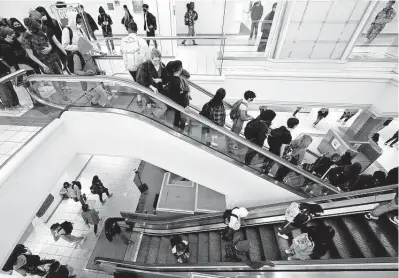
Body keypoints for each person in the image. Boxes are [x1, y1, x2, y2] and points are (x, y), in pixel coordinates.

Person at [73, 37, 113, 107]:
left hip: (95, 77)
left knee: (98, 94)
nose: (88, 51)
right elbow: (77, 71)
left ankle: (94, 104)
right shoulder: (77, 56)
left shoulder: (87, 52)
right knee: (104, 93)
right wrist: (86, 73)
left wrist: (99, 71)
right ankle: (108, 108)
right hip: (90, 79)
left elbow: (92, 64)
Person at [136, 48, 168, 118]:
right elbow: (142, 80)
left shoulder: (162, 65)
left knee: (163, 104)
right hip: (150, 91)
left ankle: (151, 114)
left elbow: (166, 78)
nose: (157, 63)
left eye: (159, 60)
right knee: (164, 107)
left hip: (159, 90)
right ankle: (153, 118)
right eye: (155, 61)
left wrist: (160, 80)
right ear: (151, 59)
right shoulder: (145, 66)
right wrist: (152, 87)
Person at [168, 60, 190, 130]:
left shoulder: (172, 78)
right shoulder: (177, 81)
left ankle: (178, 125)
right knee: (179, 117)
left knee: (178, 116)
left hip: (175, 100)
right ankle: (179, 126)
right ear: (180, 69)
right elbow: (179, 95)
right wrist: (186, 104)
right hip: (176, 102)